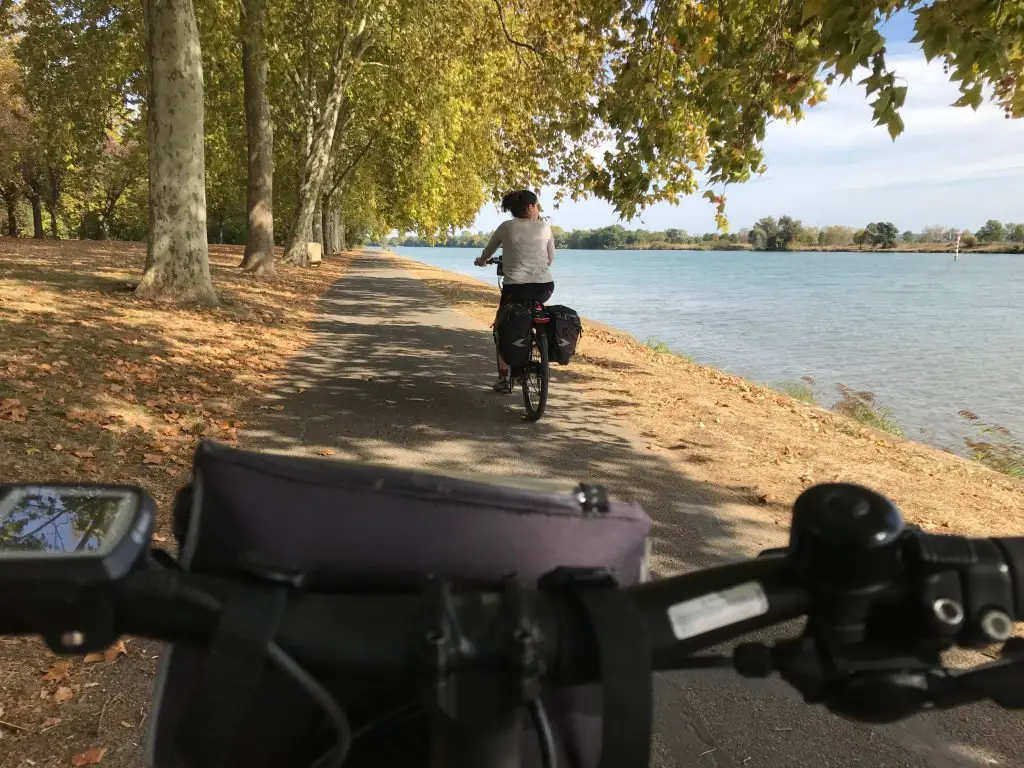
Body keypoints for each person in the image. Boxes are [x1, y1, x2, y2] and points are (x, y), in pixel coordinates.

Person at [474, 190, 555, 391]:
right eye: (537, 206)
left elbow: (489, 251)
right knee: (535, 309)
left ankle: (504, 378)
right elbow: (550, 258)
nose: (538, 209)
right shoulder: (545, 227)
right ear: (530, 207)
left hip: (515, 288)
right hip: (544, 287)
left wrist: (481, 261)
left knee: (502, 325)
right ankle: (539, 341)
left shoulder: (506, 227)